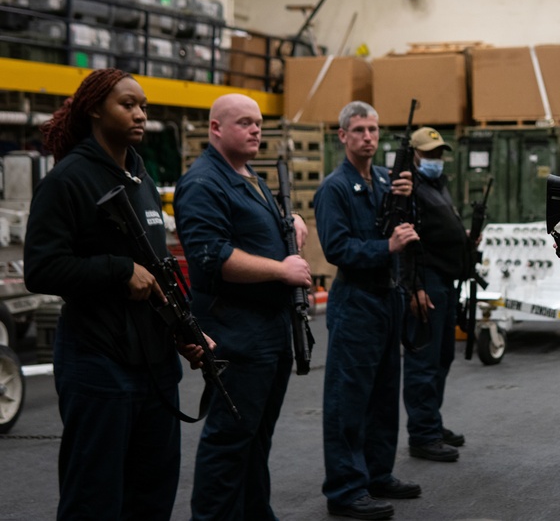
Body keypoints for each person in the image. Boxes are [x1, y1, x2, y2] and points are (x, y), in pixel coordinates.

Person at [24, 68, 208, 520]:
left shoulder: (140, 179)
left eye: (143, 106)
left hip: (153, 364)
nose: (141, 114)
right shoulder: (68, 180)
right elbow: (41, 269)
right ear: (94, 109)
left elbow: (158, 269)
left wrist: (183, 332)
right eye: (128, 105)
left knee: (153, 492)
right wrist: (119, 270)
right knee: (95, 496)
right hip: (98, 360)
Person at [173, 93, 312, 520]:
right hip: (238, 334)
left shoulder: (247, 174)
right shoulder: (202, 183)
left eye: (258, 123)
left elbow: (247, 230)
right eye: (244, 123)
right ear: (216, 129)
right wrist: (280, 269)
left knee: (256, 442)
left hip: (267, 332)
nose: (256, 130)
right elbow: (211, 256)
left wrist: (285, 222)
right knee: (229, 444)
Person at [314, 101, 422, 520]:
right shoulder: (334, 188)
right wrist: (386, 248)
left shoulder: (384, 180)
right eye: (358, 130)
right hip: (356, 301)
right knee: (348, 398)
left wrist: (408, 203)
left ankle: (377, 474)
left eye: (373, 130)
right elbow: (337, 249)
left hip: (388, 298)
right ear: (343, 136)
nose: (368, 137)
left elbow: (405, 230)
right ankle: (344, 489)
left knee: (382, 394)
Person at [403, 127, 469, 463]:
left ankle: (431, 421)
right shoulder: (409, 188)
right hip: (426, 280)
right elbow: (407, 242)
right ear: (414, 155)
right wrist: (415, 287)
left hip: (444, 279)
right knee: (424, 362)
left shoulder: (435, 184)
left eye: (438, 153)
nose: (435, 160)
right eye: (429, 154)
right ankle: (423, 435)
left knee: (442, 358)